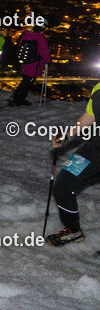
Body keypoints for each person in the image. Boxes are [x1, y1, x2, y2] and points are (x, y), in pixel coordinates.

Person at [47, 82, 100, 246]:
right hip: (95, 148)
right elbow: (91, 115)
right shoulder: (98, 88)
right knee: (63, 184)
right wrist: (67, 135)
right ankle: (73, 231)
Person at [9, 22, 50, 107]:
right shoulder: (40, 38)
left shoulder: (25, 35)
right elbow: (44, 52)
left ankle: (17, 98)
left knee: (25, 80)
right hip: (34, 64)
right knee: (27, 82)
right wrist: (48, 60)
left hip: (25, 62)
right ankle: (18, 99)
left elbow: (19, 46)